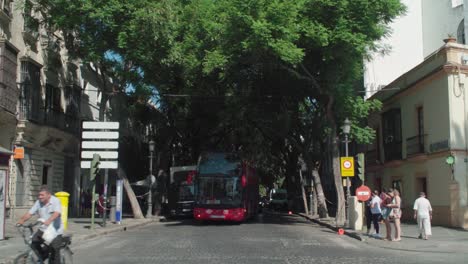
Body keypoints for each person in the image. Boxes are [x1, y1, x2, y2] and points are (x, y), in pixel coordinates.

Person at [17, 185, 63, 264]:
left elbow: (57, 213)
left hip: (55, 230)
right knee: (34, 243)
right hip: (44, 228)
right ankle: (43, 256)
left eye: (42, 195)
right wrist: (21, 221)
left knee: (55, 250)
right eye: (39, 195)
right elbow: (30, 213)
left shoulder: (55, 201)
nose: (40, 197)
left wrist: (49, 220)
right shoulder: (38, 202)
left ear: (48, 195)